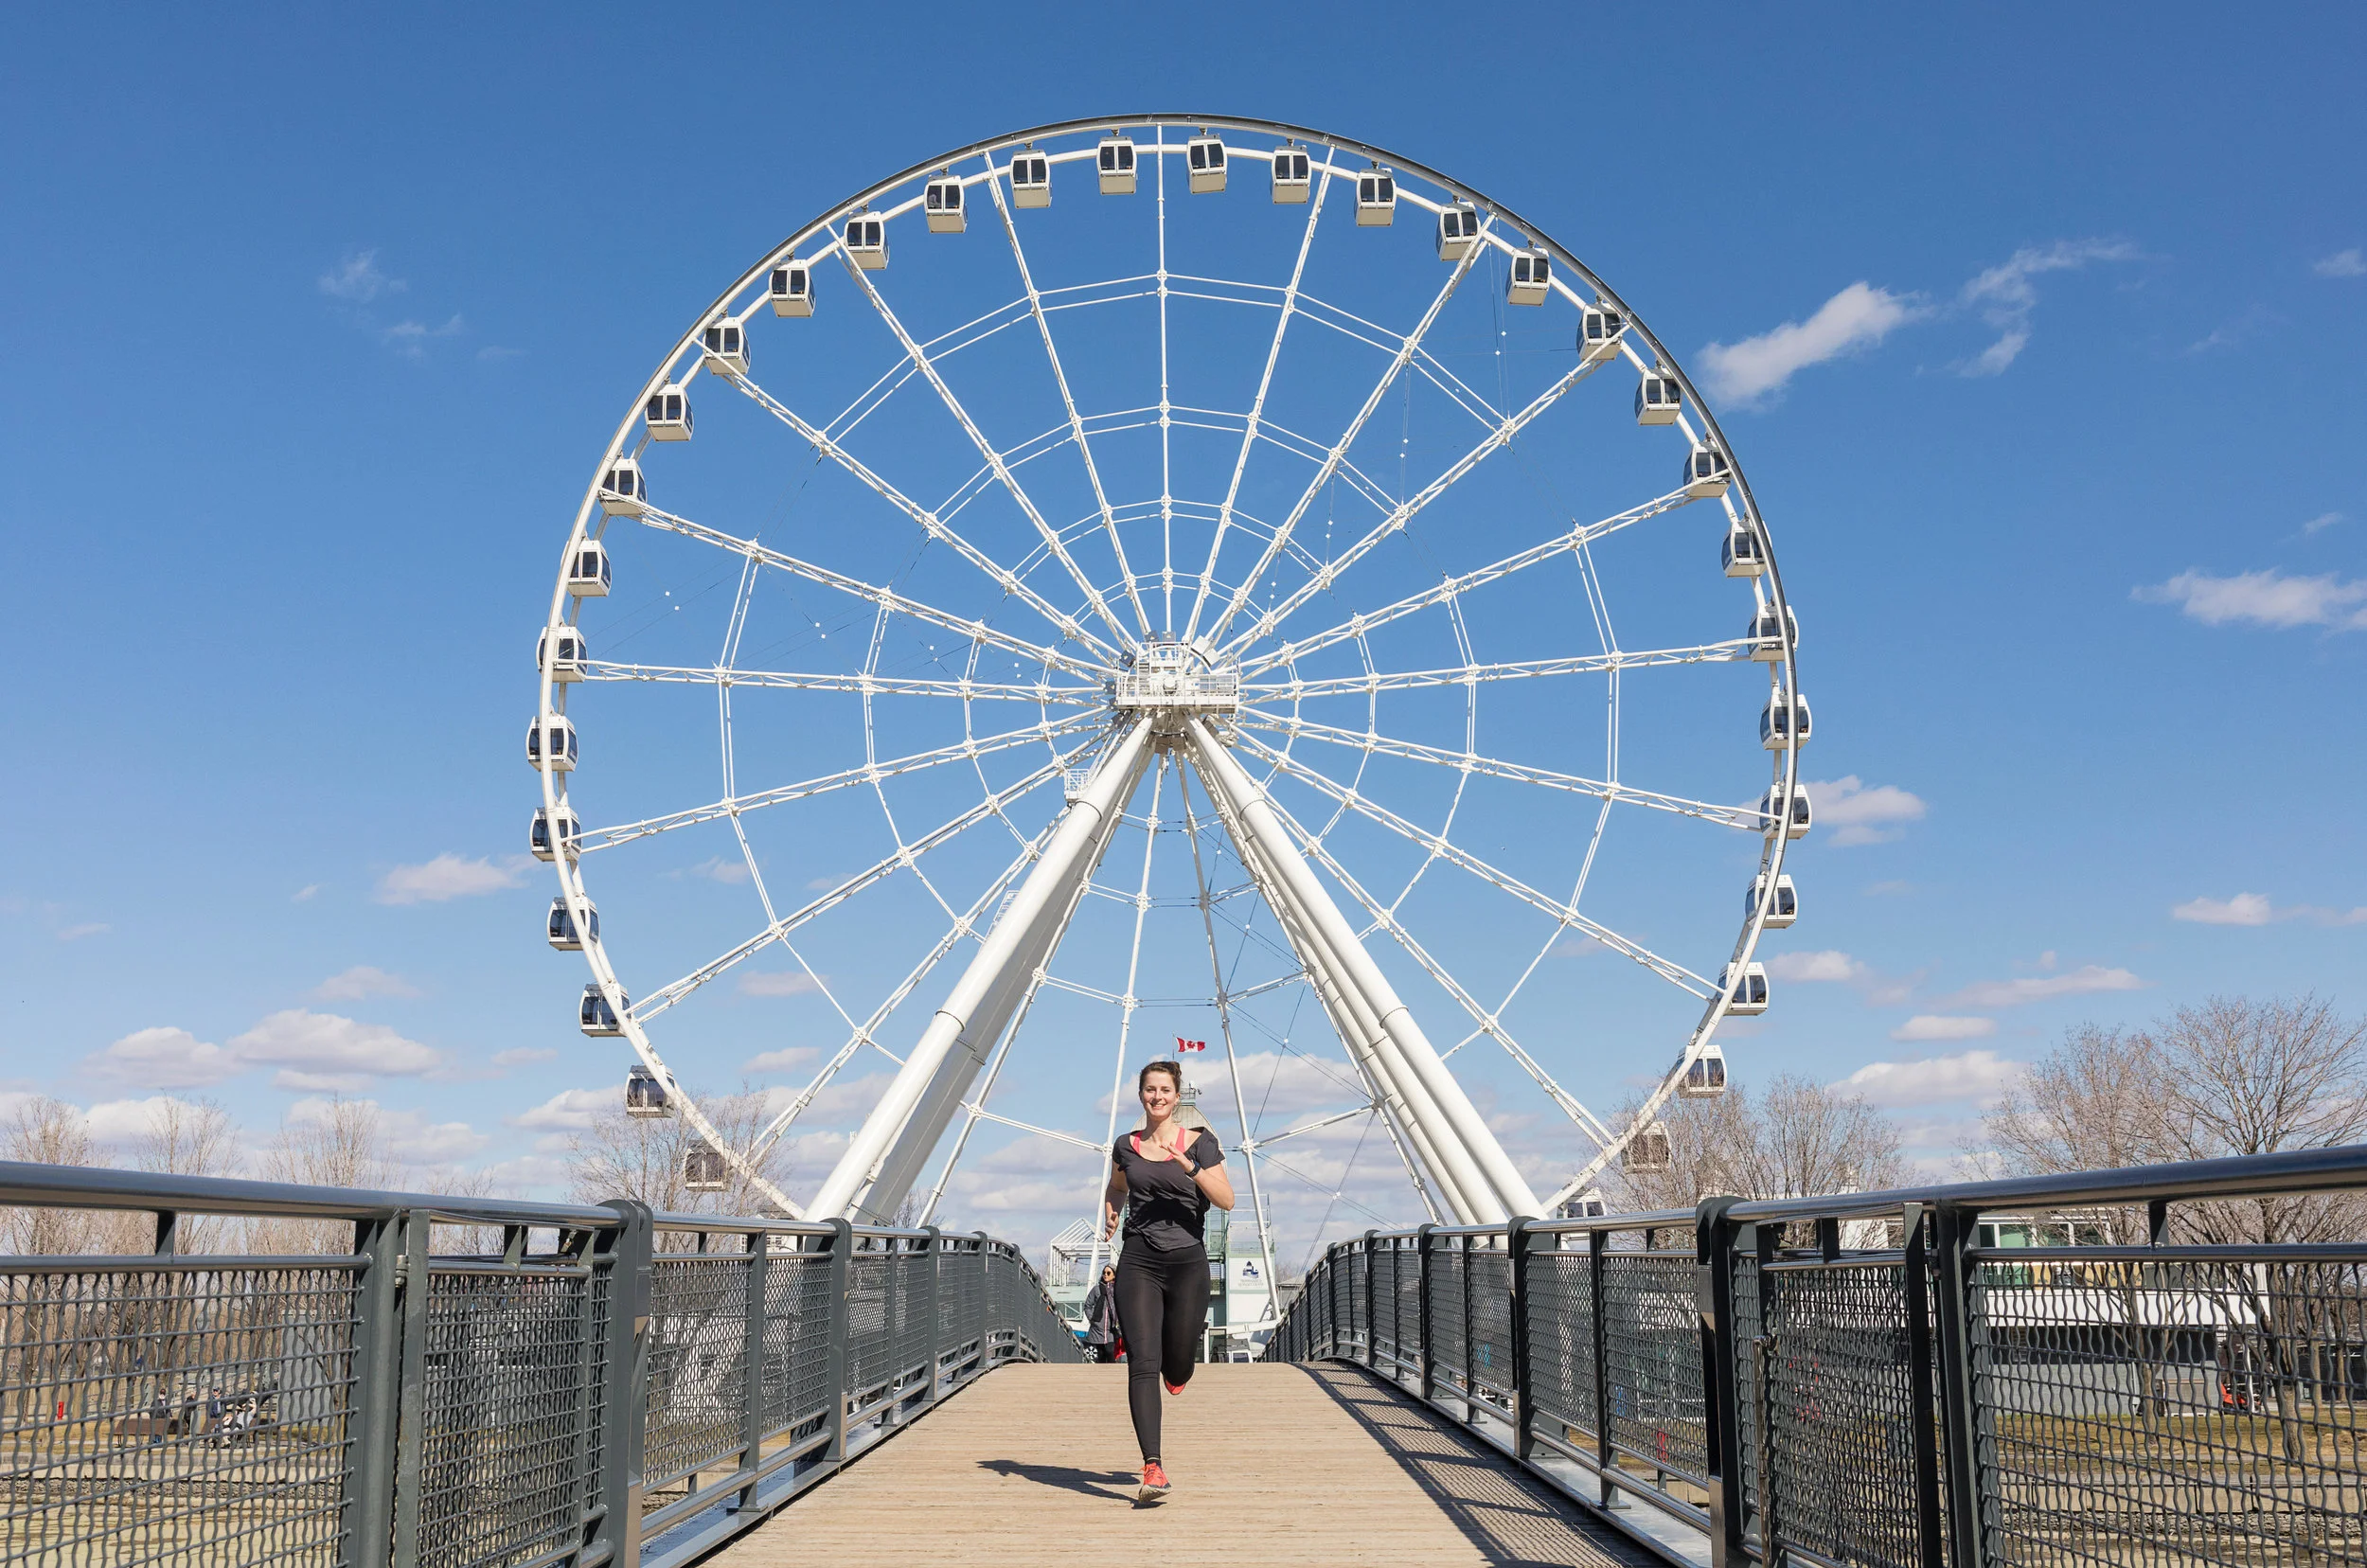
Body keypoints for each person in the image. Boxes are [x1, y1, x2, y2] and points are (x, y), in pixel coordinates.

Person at [1102, 1059, 1234, 1504]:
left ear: (1177, 1097)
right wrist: (1112, 1210)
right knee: (1142, 1361)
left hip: (1187, 1263)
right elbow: (1117, 1185)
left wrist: (1192, 1169)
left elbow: (1227, 1200)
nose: (1156, 1097)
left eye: (1164, 1090)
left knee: (1177, 1364)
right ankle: (1153, 1467)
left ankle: (1178, 1373)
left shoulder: (1201, 1143)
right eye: (1149, 1089)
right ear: (1141, 1095)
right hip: (1139, 1259)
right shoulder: (1126, 1145)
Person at [1080, 1264, 1120, 1362]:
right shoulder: (1096, 1289)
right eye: (1104, 1273)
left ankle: (1112, 1371)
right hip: (1097, 1329)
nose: (1105, 1275)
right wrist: (1092, 1319)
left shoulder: (1117, 1290)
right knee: (1101, 1357)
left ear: (1114, 1275)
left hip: (1111, 1330)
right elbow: (1087, 1305)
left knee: (1110, 1352)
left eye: (1108, 1273)